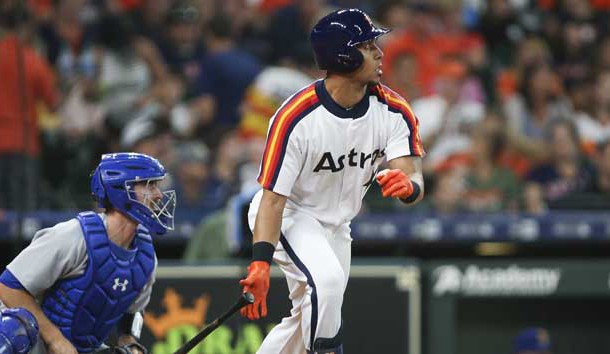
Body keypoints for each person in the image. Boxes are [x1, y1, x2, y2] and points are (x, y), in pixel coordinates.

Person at [239, 8, 425, 354]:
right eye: (369, 46)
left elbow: (413, 176)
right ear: (345, 54)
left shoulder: (394, 110)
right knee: (325, 283)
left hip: (338, 226)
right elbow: (273, 199)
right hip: (289, 215)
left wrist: (410, 186)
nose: (380, 53)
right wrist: (260, 262)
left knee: (305, 319)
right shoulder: (296, 117)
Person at [0, 153, 176, 354]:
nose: (158, 194)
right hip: (33, 342)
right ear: (121, 190)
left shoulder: (145, 256)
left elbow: (133, 311)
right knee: (13, 330)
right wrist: (56, 340)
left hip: (81, 348)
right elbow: (8, 287)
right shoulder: (73, 235)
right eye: (149, 185)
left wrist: (130, 342)